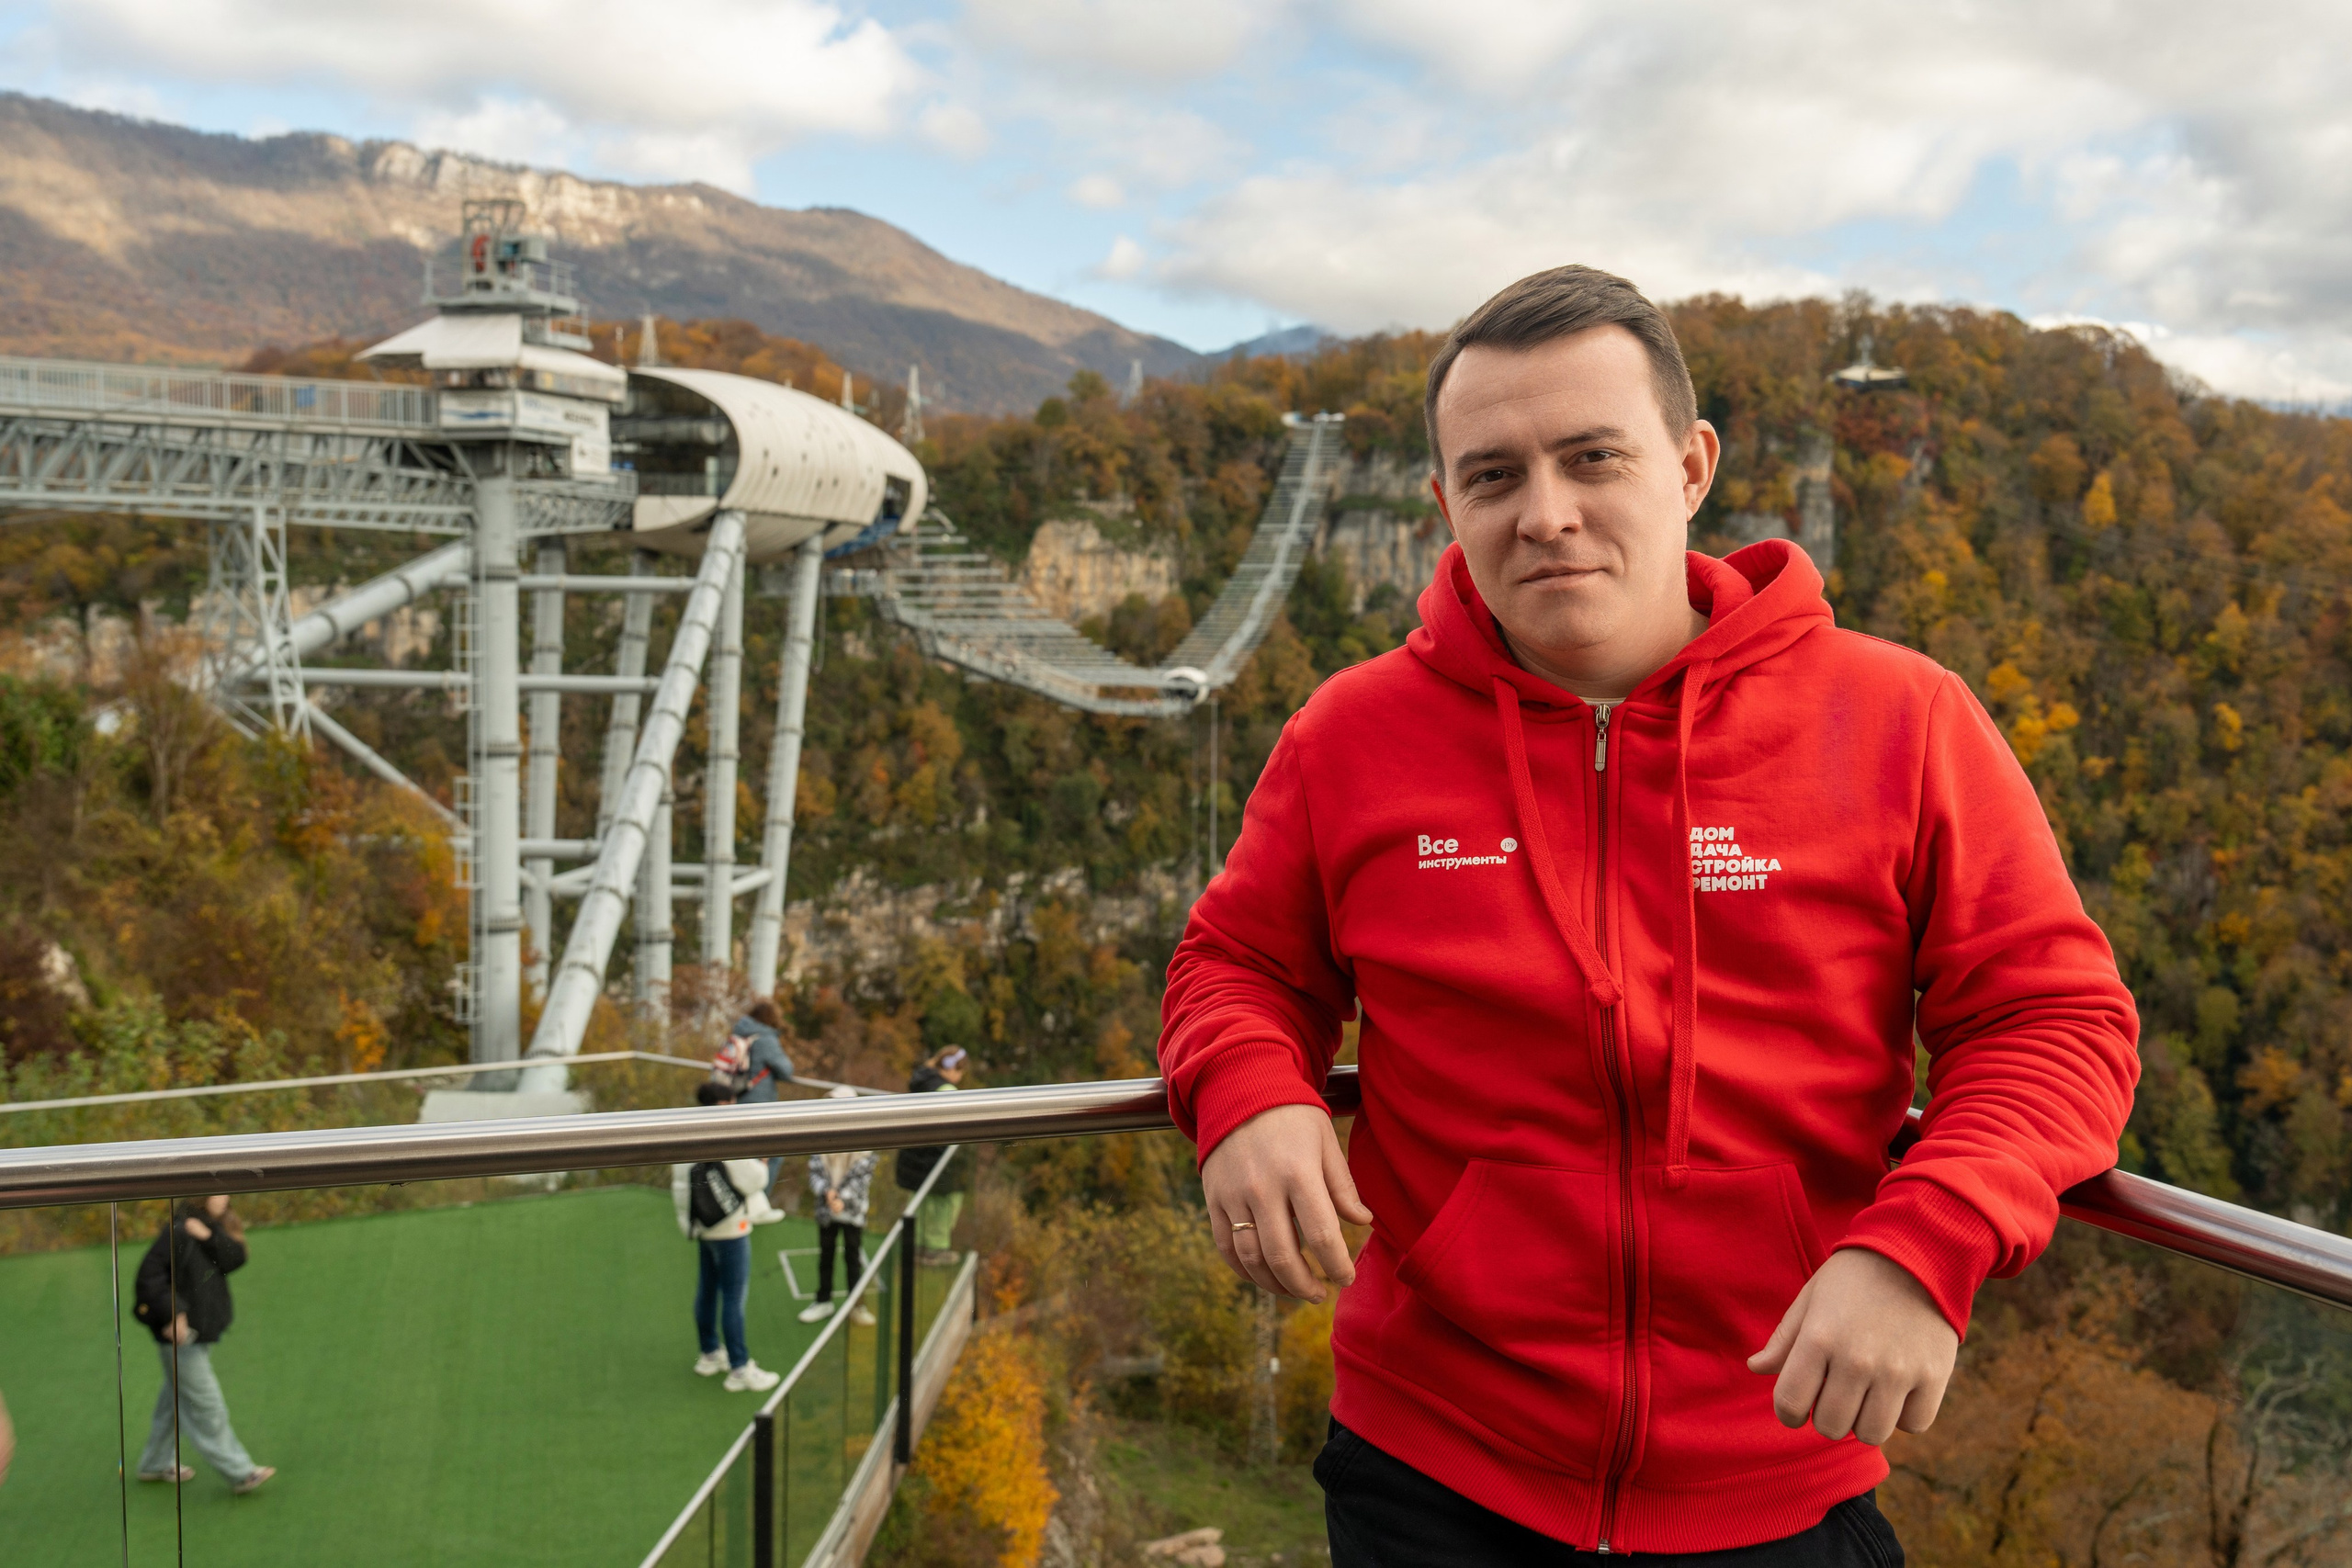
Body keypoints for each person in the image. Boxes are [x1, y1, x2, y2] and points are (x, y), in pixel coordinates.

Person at [1158, 266, 2139, 1564]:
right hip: (1431, 1468)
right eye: (1496, 476)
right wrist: (1249, 1089)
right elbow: (1236, 959)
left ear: (1690, 466)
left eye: (1593, 457)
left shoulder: (1902, 721)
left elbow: (2053, 1019)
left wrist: (1924, 1243)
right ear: (1446, 506)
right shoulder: (1353, 734)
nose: (1547, 513)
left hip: (1780, 1468)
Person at [131, 1195, 275, 1495]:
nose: (226, 1198)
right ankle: (241, 1472)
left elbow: (235, 1258)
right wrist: (174, 1313)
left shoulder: (206, 1227)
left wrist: (208, 1236)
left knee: (173, 1401)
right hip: (183, 1338)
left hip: (200, 1334)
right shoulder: (177, 1231)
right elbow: (149, 1277)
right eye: (218, 1193)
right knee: (207, 1406)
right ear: (202, 1196)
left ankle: (154, 1463)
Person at [673, 1080, 785, 1393]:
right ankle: (739, 1367)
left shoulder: (684, 1129)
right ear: (722, 1105)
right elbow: (755, 1179)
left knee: (708, 1290)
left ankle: (710, 1354)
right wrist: (761, 1161)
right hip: (730, 1227)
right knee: (733, 1297)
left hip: (705, 1225)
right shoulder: (721, 1131)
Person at [799, 1086, 879, 1325]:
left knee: (853, 1256)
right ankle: (823, 1300)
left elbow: (862, 1176)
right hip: (826, 1208)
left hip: (852, 1210)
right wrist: (827, 1193)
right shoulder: (820, 1134)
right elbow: (814, 1170)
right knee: (826, 1254)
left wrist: (841, 1198)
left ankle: (856, 1305)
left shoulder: (865, 1139)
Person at [895, 1047, 967, 1266]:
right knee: (943, 1205)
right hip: (935, 1160)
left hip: (916, 1157)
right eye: (961, 1071)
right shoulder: (946, 1091)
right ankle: (935, 1250)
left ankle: (916, 1247)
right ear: (952, 1069)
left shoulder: (922, 1081)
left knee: (920, 1203)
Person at [718, 998, 798, 1187]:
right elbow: (787, 1070)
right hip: (758, 1105)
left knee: (740, 1155)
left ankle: (738, 1199)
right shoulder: (765, 1039)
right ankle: (757, 1201)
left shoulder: (739, 1033)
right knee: (772, 1154)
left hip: (734, 1100)